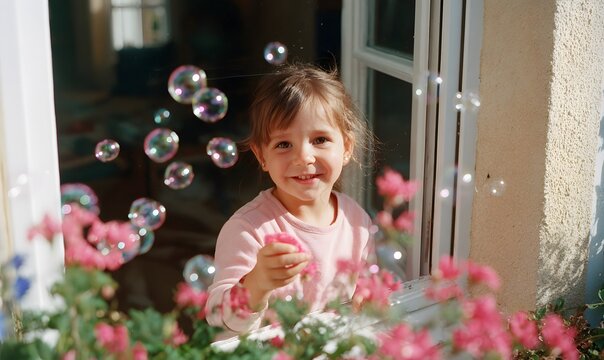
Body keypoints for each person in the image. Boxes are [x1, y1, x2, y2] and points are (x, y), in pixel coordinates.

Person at [205, 63, 374, 336]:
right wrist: (256, 283)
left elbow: (366, 285)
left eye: (320, 139)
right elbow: (217, 318)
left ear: (346, 148)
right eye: (284, 144)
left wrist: (367, 295)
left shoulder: (357, 221)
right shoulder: (249, 229)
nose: (303, 157)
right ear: (262, 156)